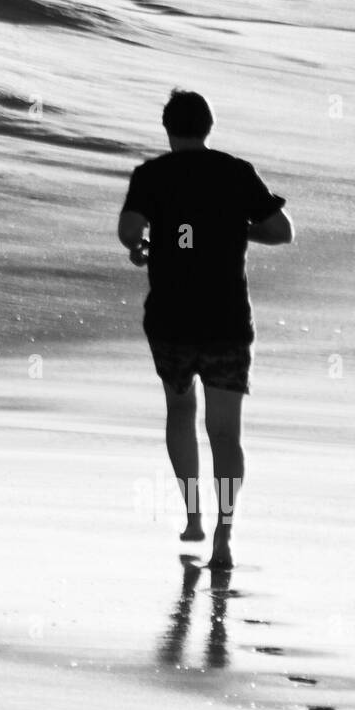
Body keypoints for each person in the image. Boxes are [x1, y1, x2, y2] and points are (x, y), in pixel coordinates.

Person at [118, 89, 294, 569]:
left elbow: (129, 231)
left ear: (168, 129)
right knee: (225, 434)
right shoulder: (237, 172)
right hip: (227, 321)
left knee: (179, 412)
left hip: (172, 319)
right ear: (209, 126)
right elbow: (282, 231)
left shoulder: (151, 175)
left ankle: (193, 513)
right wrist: (236, 230)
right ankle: (224, 533)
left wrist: (145, 244)